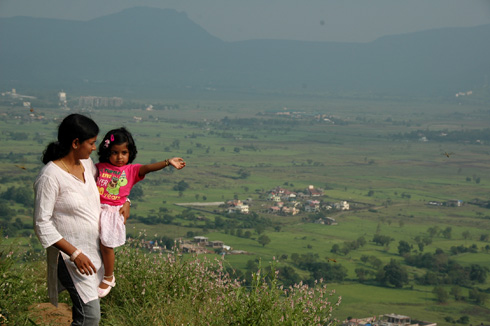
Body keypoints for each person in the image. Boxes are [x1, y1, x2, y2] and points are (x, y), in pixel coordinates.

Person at [33, 114, 130, 326]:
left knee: (87, 315)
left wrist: (126, 201)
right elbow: (42, 223)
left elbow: (108, 186)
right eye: (91, 143)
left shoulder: (86, 164)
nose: (94, 148)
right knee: (90, 316)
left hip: (92, 253)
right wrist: (74, 253)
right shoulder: (50, 176)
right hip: (69, 258)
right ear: (75, 143)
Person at [95, 127, 186, 298]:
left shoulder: (130, 171)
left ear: (130, 153)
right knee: (93, 246)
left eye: (124, 152)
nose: (120, 157)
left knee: (106, 246)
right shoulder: (98, 168)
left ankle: (108, 276)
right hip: (94, 210)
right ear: (107, 151)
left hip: (113, 213)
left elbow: (148, 168)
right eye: (115, 152)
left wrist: (167, 162)